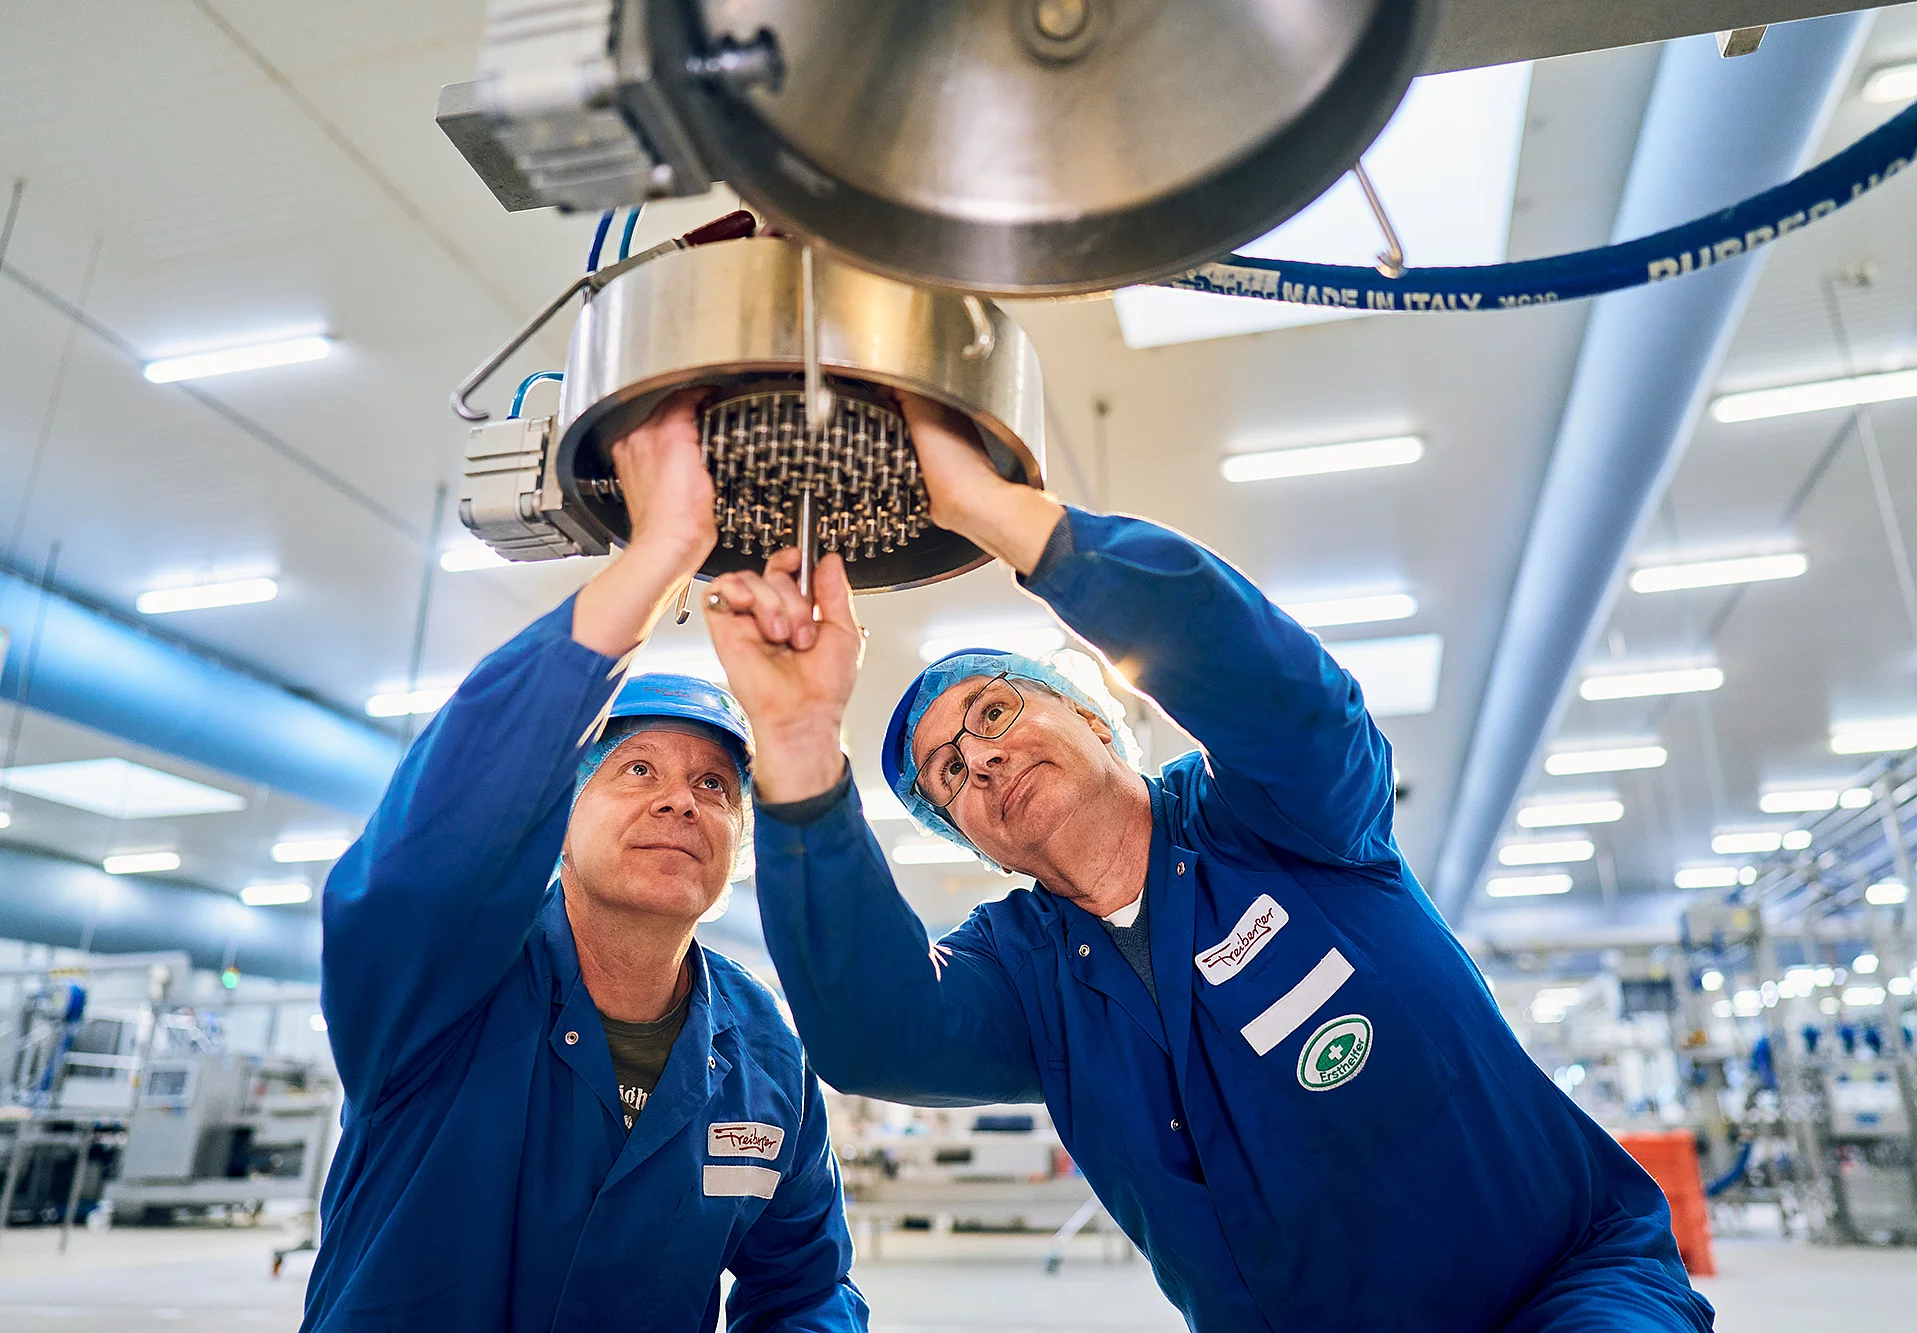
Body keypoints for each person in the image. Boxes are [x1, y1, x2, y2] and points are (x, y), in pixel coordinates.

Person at [703, 396, 1716, 1331]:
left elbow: (1292, 701)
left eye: (997, 710)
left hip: (1559, 1291)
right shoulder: (1024, 976)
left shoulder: (1279, 819)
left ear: (1098, 718)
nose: (983, 757)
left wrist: (998, 514)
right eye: (949, 772)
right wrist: (794, 740)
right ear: (971, 839)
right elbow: (877, 1033)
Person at [305, 391, 866, 1332]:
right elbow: (428, 858)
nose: (680, 798)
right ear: (556, 817)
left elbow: (806, 1284)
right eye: (635, 767)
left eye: (715, 787)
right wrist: (658, 556)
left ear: (737, 847)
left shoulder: (765, 1050)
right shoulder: (447, 982)